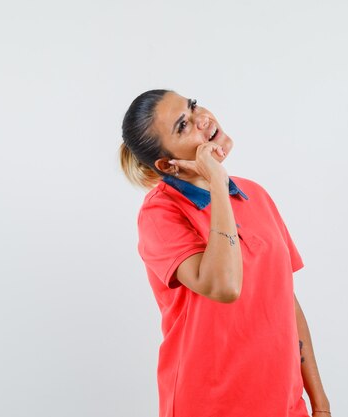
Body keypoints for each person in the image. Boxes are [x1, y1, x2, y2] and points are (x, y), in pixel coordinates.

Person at [118, 89, 331, 417]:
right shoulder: (160, 214)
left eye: (192, 106)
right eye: (183, 126)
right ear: (166, 164)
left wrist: (319, 403)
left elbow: (285, 300)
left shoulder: (254, 194)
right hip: (210, 405)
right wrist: (216, 179)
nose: (202, 119)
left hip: (285, 405)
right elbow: (224, 287)